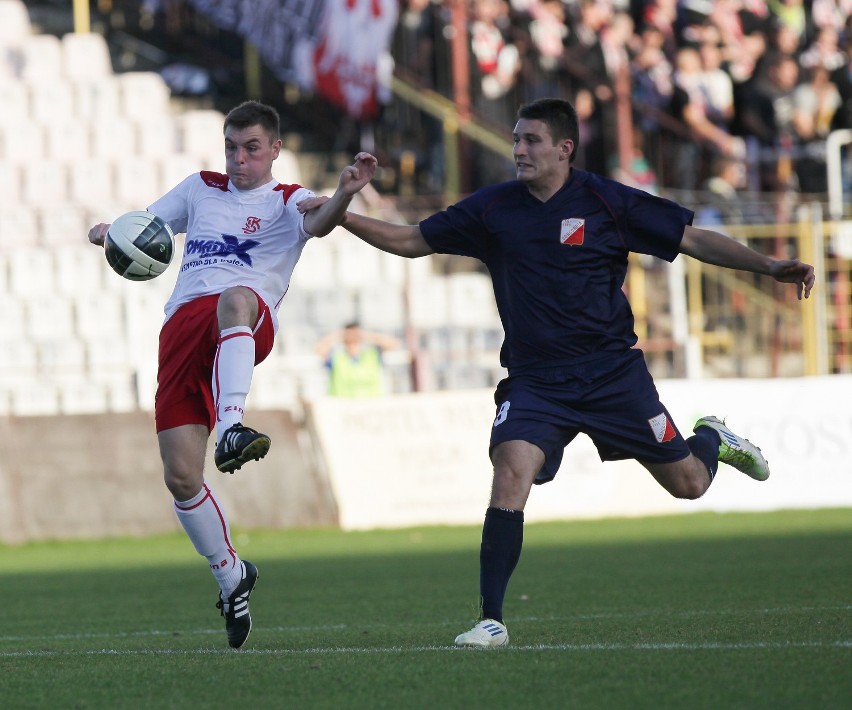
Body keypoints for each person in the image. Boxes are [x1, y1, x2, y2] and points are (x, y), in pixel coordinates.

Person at [298, 97, 815, 648]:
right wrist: (343, 207)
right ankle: (490, 618)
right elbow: (409, 241)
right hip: (536, 379)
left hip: (613, 374)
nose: (518, 149)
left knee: (688, 484)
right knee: (510, 472)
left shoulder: (607, 201)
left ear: (564, 149)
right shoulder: (494, 209)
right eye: (516, 139)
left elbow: (689, 238)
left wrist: (766, 266)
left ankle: (712, 436)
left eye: (531, 140)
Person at [87, 100, 377, 648]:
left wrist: (345, 191)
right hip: (181, 331)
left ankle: (234, 424)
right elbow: (148, 230)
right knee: (180, 477)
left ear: (274, 150)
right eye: (231, 148)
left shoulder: (287, 201)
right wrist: (111, 235)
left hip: (243, 318)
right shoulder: (200, 188)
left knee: (237, 297)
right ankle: (230, 573)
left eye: (250, 148)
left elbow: (318, 220)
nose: (239, 160)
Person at [315, 321, 401, 397]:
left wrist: (367, 335)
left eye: (356, 334)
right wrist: (339, 335)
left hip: (370, 407)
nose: (353, 337)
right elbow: (318, 349)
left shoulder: (372, 355)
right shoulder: (336, 357)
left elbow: (394, 344)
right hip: (343, 408)